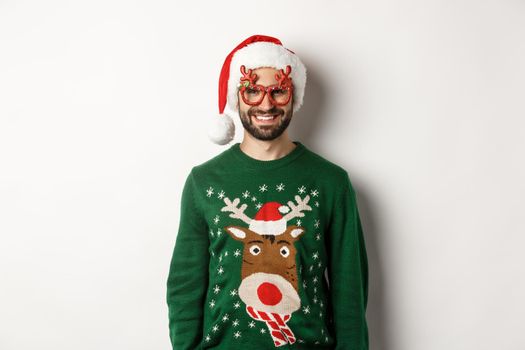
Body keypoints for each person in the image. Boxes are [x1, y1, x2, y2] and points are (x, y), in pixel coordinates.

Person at [166, 34, 369, 350]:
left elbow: (350, 292)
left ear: (294, 95)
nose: (266, 103)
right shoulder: (203, 182)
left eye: (278, 91)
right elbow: (185, 287)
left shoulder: (331, 183)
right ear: (238, 97)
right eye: (252, 91)